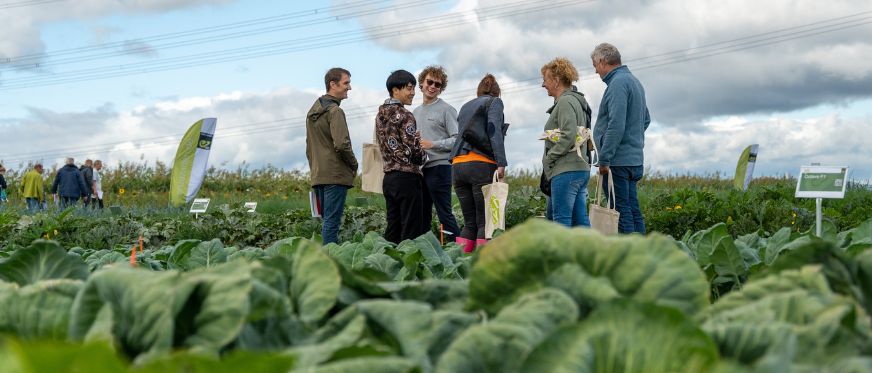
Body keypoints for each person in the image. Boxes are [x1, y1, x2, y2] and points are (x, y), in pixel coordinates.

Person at [591, 43, 651, 234]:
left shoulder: (617, 84)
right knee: (633, 210)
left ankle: (630, 259)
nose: (595, 70)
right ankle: (642, 254)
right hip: (634, 159)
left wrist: (605, 158)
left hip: (618, 161)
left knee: (620, 211)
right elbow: (646, 119)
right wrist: (633, 139)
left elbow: (616, 124)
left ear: (602, 61)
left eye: (595, 65)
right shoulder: (634, 82)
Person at [449, 74, 507, 252]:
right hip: (480, 165)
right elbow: (493, 130)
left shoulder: (466, 106)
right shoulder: (494, 102)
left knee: (469, 223)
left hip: (458, 165)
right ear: (496, 92)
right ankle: (483, 264)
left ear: (479, 91)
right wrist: (501, 161)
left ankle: (460, 266)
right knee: (484, 222)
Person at [305, 67, 359, 245]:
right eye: (346, 83)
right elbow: (342, 144)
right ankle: (330, 261)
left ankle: (325, 258)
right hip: (335, 175)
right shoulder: (335, 111)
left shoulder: (312, 113)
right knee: (332, 222)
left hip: (319, 174)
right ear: (332, 84)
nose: (349, 87)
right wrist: (354, 164)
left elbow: (309, 148)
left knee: (326, 221)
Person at [541, 57, 593, 228]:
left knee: (561, 222)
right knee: (580, 222)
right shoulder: (577, 101)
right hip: (580, 169)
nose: (543, 84)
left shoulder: (565, 102)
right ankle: (590, 254)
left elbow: (568, 135)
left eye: (545, 79)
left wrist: (549, 158)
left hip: (566, 169)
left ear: (556, 81)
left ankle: (562, 255)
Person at [376, 69, 427, 244]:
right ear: (395, 90)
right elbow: (412, 151)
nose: (413, 93)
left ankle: (388, 264)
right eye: (409, 88)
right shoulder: (405, 115)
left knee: (394, 226)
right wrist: (422, 153)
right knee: (412, 228)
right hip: (407, 177)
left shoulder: (380, 115)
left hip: (389, 178)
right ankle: (409, 267)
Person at [413, 65, 461, 239]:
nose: (433, 86)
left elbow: (457, 140)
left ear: (441, 89)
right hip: (420, 170)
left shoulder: (447, 110)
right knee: (422, 215)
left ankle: (459, 253)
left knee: (444, 214)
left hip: (440, 168)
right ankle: (427, 254)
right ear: (422, 83)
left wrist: (432, 144)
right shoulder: (415, 112)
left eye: (437, 84)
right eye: (430, 82)